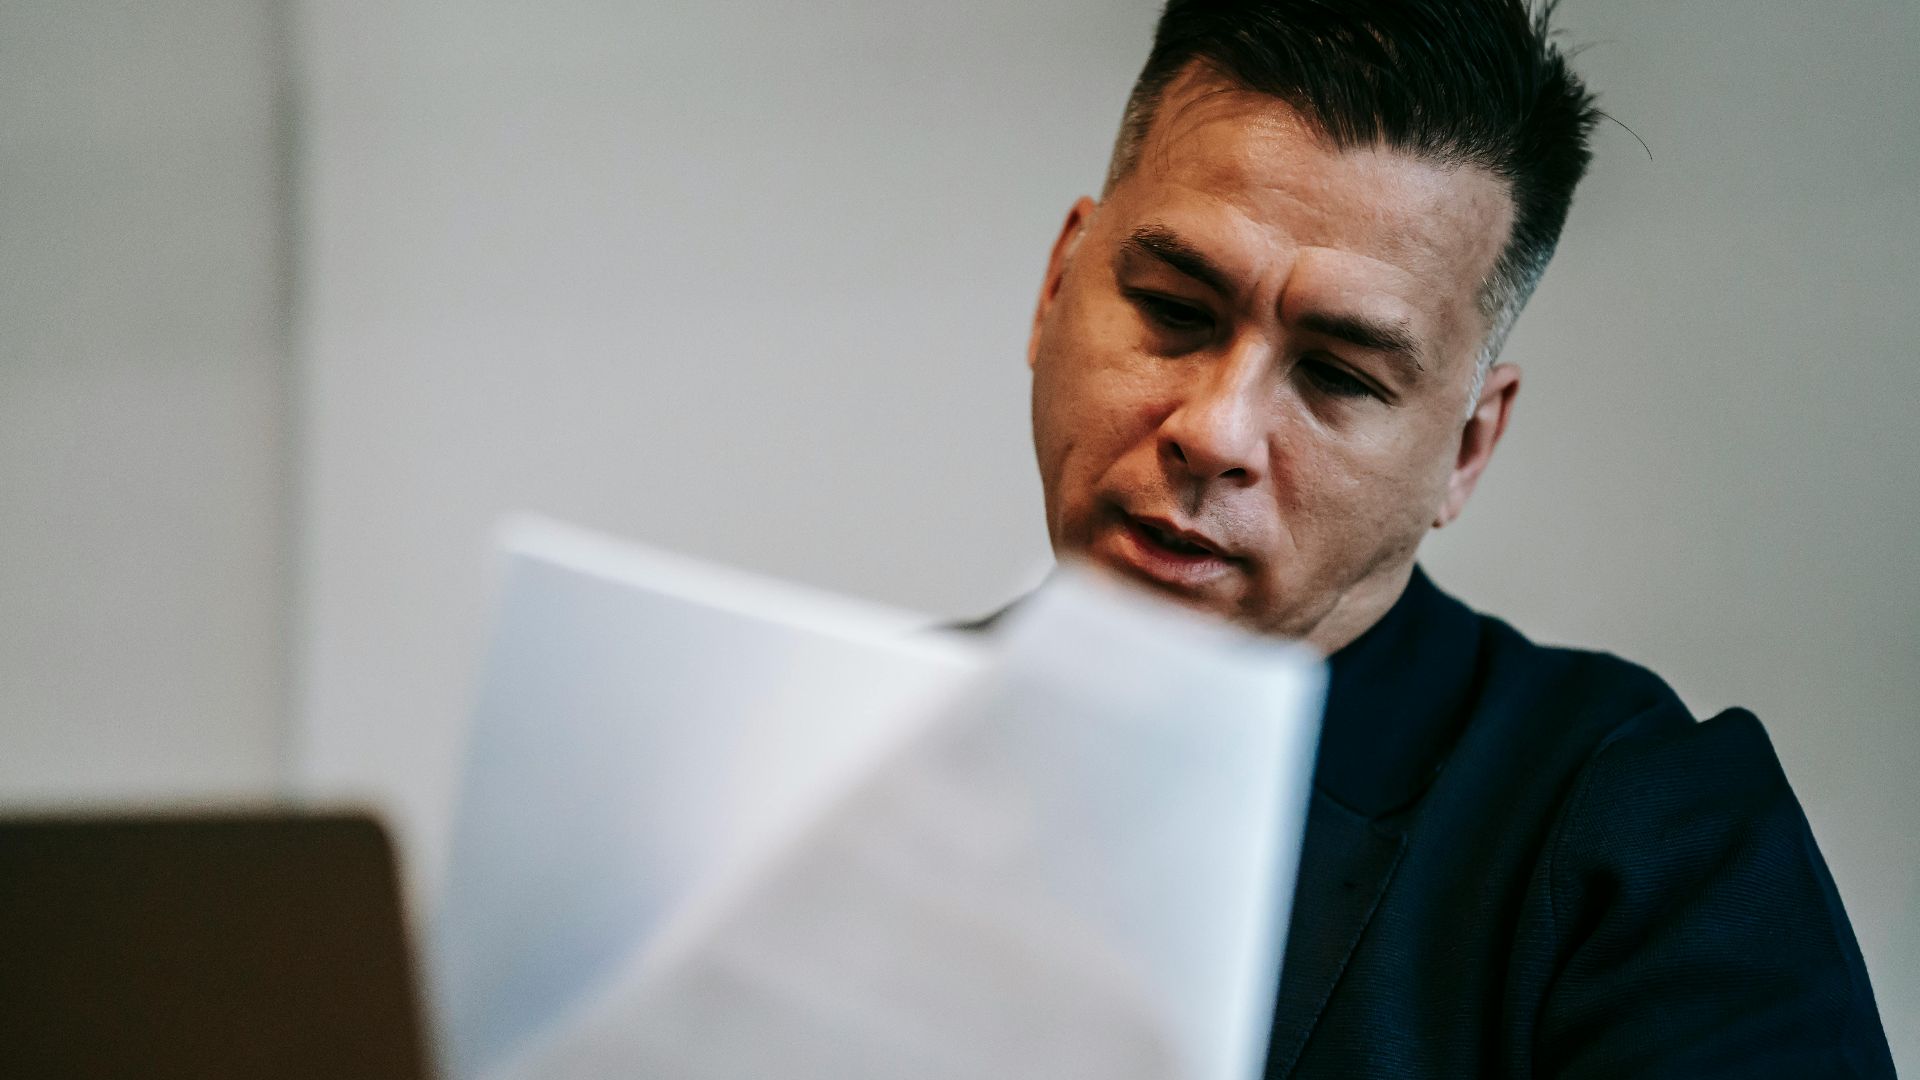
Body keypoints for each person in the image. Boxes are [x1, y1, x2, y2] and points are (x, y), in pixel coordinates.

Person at [1012, 1, 1897, 1075]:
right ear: (1059, 285)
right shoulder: (830, 744)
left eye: (1339, 375)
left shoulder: (1656, 842)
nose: (1215, 431)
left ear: (1468, 449)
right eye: (1174, 309)